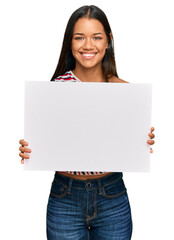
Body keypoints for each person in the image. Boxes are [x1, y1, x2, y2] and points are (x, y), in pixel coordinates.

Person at [19, 5, 155, 240]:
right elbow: (43, 142)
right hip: (65, 197)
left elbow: (133, 144)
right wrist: (29, 149)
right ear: (70, 42)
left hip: (112, 195)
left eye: (96, 37)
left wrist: (144, 141)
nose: (88, 45)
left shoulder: (125, 92)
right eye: (79, 37)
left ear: (108, 41)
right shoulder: (54, 91)